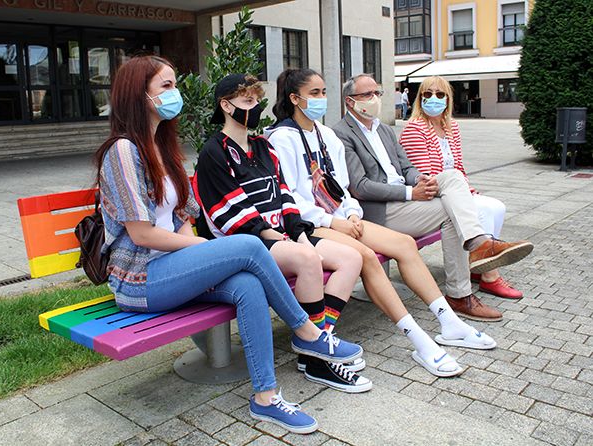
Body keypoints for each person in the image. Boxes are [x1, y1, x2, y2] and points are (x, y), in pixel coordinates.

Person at [94, 56, 364, 434]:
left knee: (248, 284)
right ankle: (308, 333)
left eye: (175, 85)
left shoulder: (163, 148)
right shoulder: (124, 150)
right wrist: (203, 250)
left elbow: (183, 217)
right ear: (139, 95)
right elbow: (142, 234)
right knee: (248, 247)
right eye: (166, 86)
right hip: (139, 279)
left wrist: (201, 252)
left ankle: (266, 397)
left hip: (174, 269)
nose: (176, 93)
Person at [265, 68, 498, 379]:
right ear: (295, 99)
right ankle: (417, 339)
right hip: (308, 224)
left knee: (404, 244)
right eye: (314, 93)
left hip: (342, 217)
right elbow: (291, 197)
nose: (322, 99)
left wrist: (351, 214)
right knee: (365, 257)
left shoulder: (326, 135)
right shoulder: (282, 138)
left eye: (324, 92)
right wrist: (334, 221)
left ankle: (449, 321)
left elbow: (342, 187)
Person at [193, 73, 371, 393]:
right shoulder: (213, 152)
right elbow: (227, 211)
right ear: (226, 105)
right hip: (247, 244)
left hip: (283, 237)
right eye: (247, 101)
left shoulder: (263, 147)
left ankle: (318, 343)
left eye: (256, 101)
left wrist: (298, 233)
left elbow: (284, 195)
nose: (255, 108)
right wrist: (274, 236)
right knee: (307, 259)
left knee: (350, 258)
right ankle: (318, 357)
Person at [334, 74, 534, 321]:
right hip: (379, 211)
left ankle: (476, 248)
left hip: (405, 202)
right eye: (367, 94)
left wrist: (420, 179)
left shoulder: (383, 129)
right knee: (452, 212)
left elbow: (406, 168)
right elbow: (360, 187)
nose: (375, 98)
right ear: (350, 101)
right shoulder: (341, 133)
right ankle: (463, 287)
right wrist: (411, 192)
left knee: (453, 178)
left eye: (377, 93)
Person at [399, 75, 532, 300]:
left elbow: (458, 166)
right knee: (482, 210)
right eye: (428, 94)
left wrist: (467, 189)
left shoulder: (451, 127)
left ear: (448, 99)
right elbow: (425, 176)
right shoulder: (415, 128)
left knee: (496, 207)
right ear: (420, 99)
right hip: (431, 192)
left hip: (454, 188)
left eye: (440, 94)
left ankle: (481, 262)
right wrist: (460, 191)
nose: (434, 98)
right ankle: (489, 275)